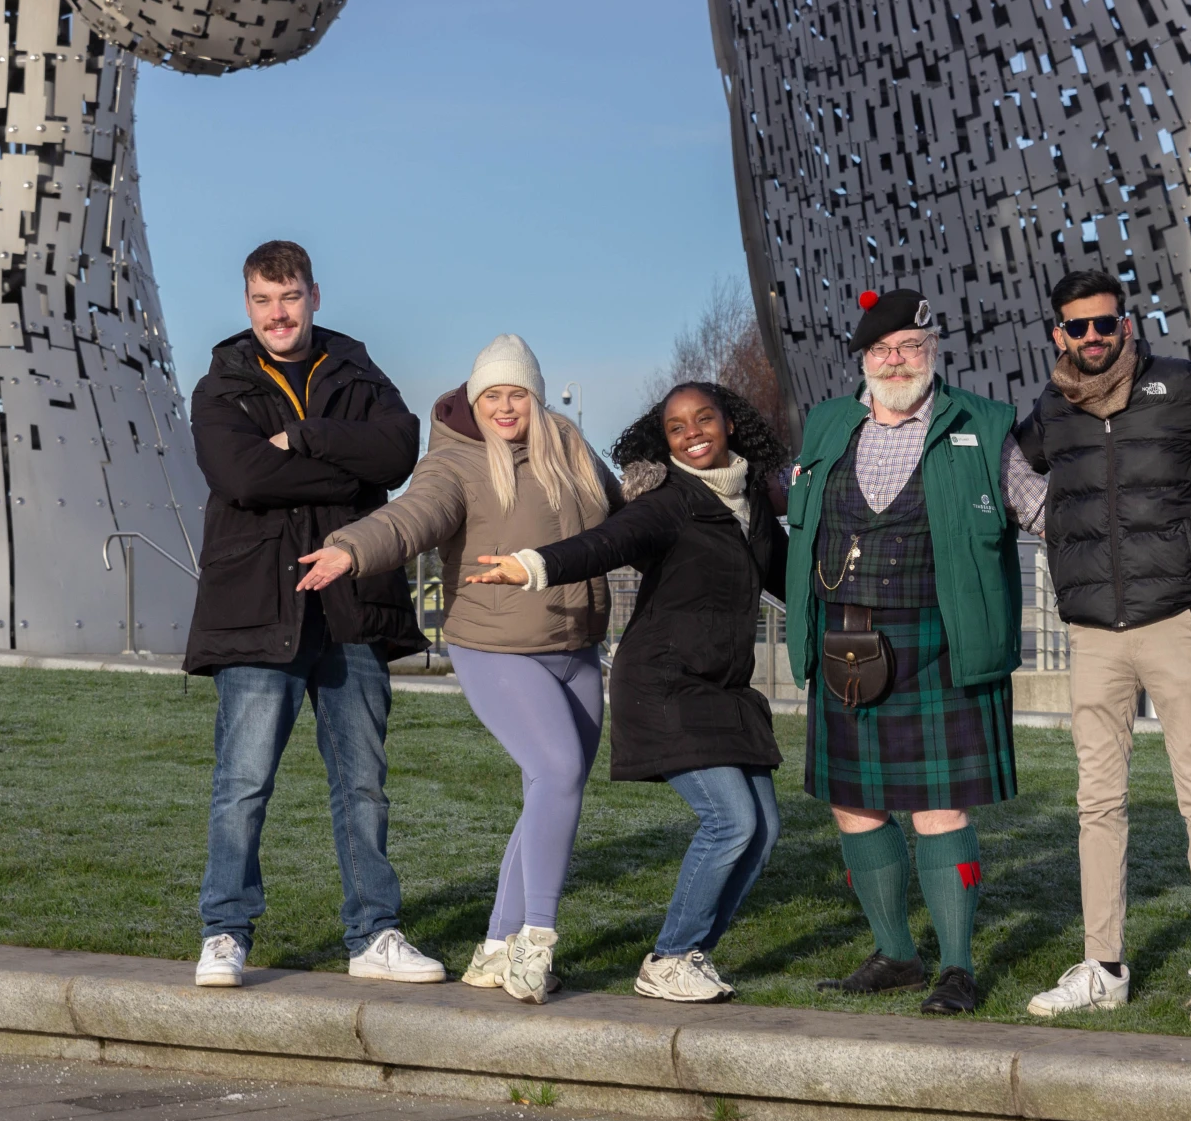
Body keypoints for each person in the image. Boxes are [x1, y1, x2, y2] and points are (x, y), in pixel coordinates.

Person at [297, 335, 619, 1004]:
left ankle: (495, 947)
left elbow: (624, 518)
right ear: (476, 400)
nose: (506, 408)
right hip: (495, 646)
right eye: (492, 396)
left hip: (577, 645)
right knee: (557, 771)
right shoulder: (456, 462)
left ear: (535, 393)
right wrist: (352, 548)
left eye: (517, 394)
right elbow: (413, 516)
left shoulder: (569, 446)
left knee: (550, 790)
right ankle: (536, 941)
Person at [470, 383, 790, 1003]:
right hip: (664, 683)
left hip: (723, 688)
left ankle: (690, 954)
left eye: (704, 419)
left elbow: (790, 577)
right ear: (664, 440)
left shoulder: (748, 501)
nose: (692, 432)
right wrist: (531, 565)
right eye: (676, 427)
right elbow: (604, 544)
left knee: (765, 829)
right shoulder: (669, 502)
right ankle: (668, 957)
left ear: (731, 424)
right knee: (731, 820)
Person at [184, 240, 441, 988]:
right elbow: (238, 474)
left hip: (352, 605)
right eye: (263, 300)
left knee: (362, 782)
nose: (278, 313)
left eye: (289, 296)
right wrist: (342, 467)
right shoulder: (221, 383)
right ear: (247, 305)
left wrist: (303, 436)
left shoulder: (358, 370)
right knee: (244, 781)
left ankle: (374, 934)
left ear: (313, 296)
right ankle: (225, 932)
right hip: (257, 607)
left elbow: (396, 452)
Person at [782, 288, 1045, 1016]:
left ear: (934, 352)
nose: (895, 361)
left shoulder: (983, 425)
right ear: (863, 361)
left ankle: (956, 967)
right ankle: (896, 951)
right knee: (855, 806)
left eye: (909, 347)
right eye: (880, 350)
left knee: (939, 809)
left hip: (941, 639)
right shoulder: (828, 424)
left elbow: (1041, 508)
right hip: (846, 641)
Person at [1015, 268, 1191, 1024]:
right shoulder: (1052, 409)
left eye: (1104, 324)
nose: (1091, 337)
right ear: (1058, 334)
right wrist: (1042, 519)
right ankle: (1103, 965)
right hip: (1092, 632)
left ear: (1127, 326)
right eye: (1076, 327)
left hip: (1174, 619)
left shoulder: (1179, 387)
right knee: (1098, 804)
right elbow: (1010, 466)